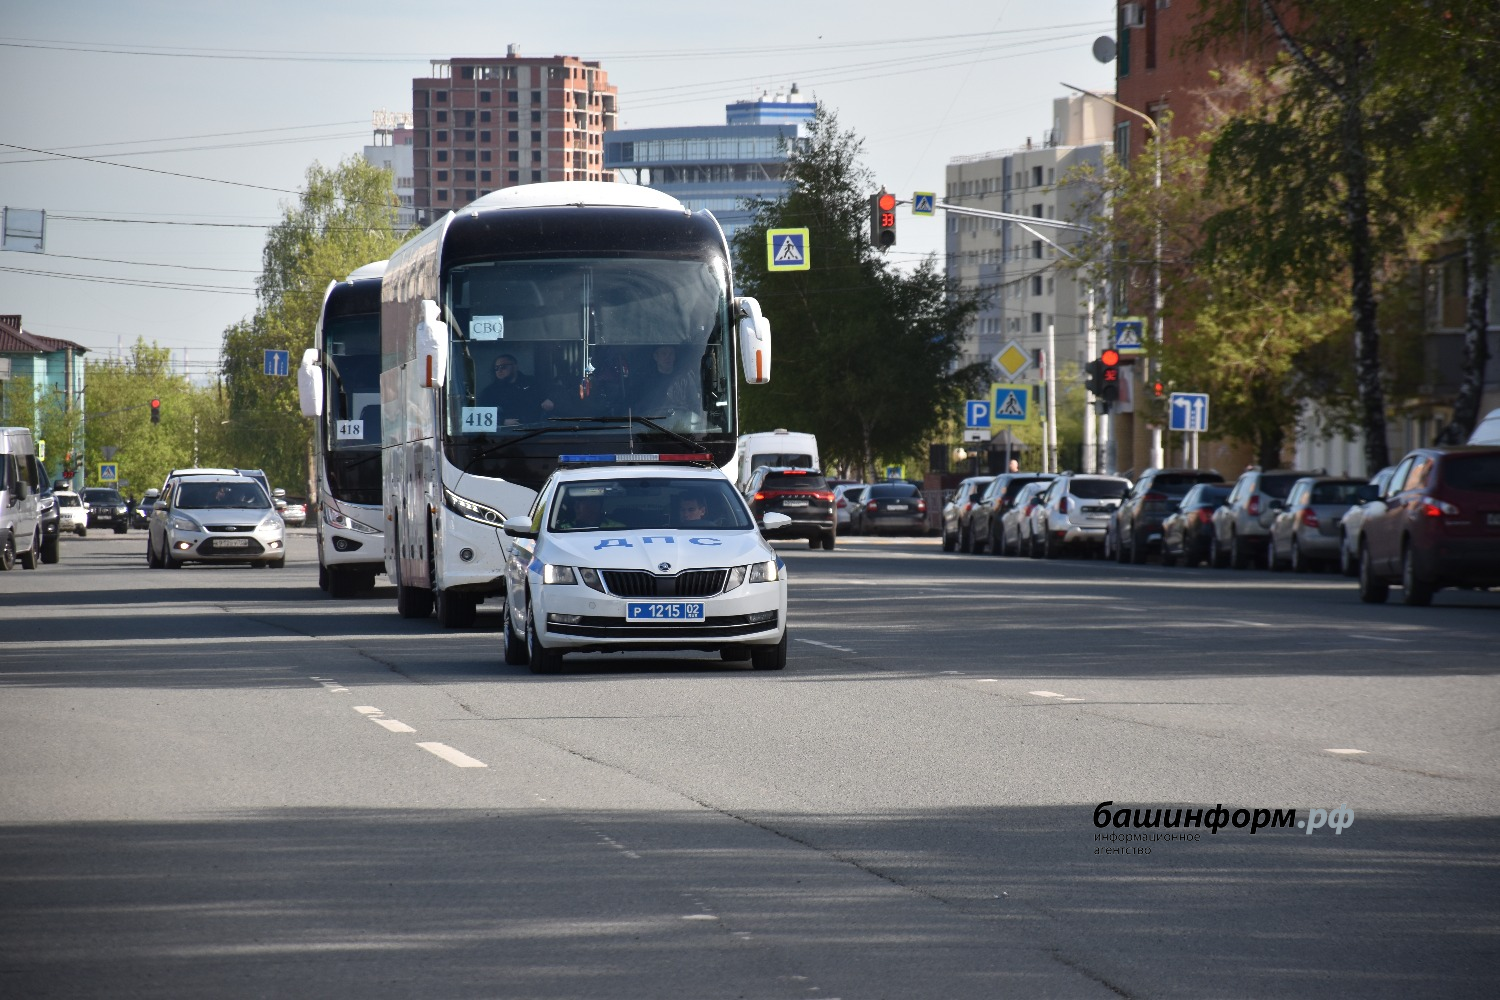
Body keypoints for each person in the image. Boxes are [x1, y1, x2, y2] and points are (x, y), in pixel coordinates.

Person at [478, 354, 555, 426]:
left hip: (537, 431)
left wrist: (551, 400)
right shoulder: (490, 392)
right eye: (496, 368)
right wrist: (502, 422)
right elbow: (479, 416)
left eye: (503, 367)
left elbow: (557, 394)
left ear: (515, 366)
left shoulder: (533, 383)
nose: (499, 370)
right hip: (507, 436)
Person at [633, 344, 700, 416]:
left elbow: (695, 406)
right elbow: (639, 409)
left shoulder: (685, 378)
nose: (668, 357)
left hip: (681, 424)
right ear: (656, 357)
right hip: (653, 424)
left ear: (674, 357)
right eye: (664, 353)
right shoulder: (646, 382)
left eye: (671, 353)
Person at [556, 492, 625, 530]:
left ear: (596, 506)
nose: (576, 507)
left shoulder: (618, 528)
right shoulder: (562, 529)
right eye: (576, 504)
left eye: (580, 503)